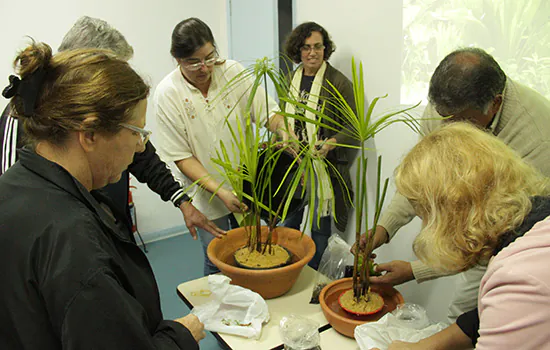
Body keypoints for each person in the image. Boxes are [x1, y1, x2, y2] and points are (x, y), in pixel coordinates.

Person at [0, 42, 205, 348]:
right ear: (90, 134)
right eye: (136, 132)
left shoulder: (13, 187)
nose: (140, 146)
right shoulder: (76, 244)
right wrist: (182, 334)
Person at [361, 47, 550, 321]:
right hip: (488, 237)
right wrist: (384, 226)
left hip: (513, 248)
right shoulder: (448, 107)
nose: (448, 128)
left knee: (471, 316)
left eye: (460, 120)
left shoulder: (536, 139)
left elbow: (486, 241)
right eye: (443, 116)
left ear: (495, 104)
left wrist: (416, 270)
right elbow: (422, 182)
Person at [0, 16, 224, 242]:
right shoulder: (25, 113)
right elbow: (14, 202)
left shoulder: (115, 130)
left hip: (108, 230)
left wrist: (181, 201)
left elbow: (142, 155)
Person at [371, 122, 550, 350]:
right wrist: (421, 347)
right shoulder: (536, 220)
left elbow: (510, 305)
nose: (425, 226)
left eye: (423, 214)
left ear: (450, 212)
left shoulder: (519, 277)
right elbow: (483, 317)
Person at [155, 18, 285, 275]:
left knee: (252, 248)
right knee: (217, 256)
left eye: (209, 56)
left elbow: (268, 112)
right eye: (193, 61)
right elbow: (182, 157)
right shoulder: (168, 93)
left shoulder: (232, 72)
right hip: (206, 193)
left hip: (246, 184)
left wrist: (284, 132)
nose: (204, 67)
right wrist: (220, 192)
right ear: (177, 59)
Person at [282, 22, 358, 269]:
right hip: (293, 167)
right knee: (289, 225)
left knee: (319, 231)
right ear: (298, 50)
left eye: (317, 47)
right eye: (306, 48)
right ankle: (288, 271)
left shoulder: (339, 82)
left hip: (322, 170)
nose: (312, 53)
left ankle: (315, 280)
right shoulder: (289, 79)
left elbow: (355, 128)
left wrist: (332, 142)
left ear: (326, 49)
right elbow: (280, 117)